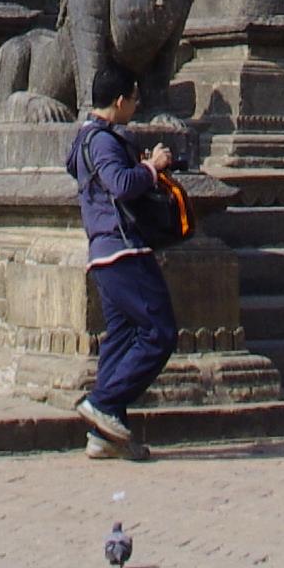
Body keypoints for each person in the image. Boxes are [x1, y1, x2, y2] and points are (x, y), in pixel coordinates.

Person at [66, 78, 188, 457]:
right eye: (134, 98)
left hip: (104, 252)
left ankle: (105, 435)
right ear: (118, 101)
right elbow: (120, 184)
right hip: (123, 249)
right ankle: (103, 402)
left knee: (120, 339)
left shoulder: (86, 139)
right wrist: (152, 169)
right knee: (160, 332)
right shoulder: (101, 139)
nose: (136, 105)